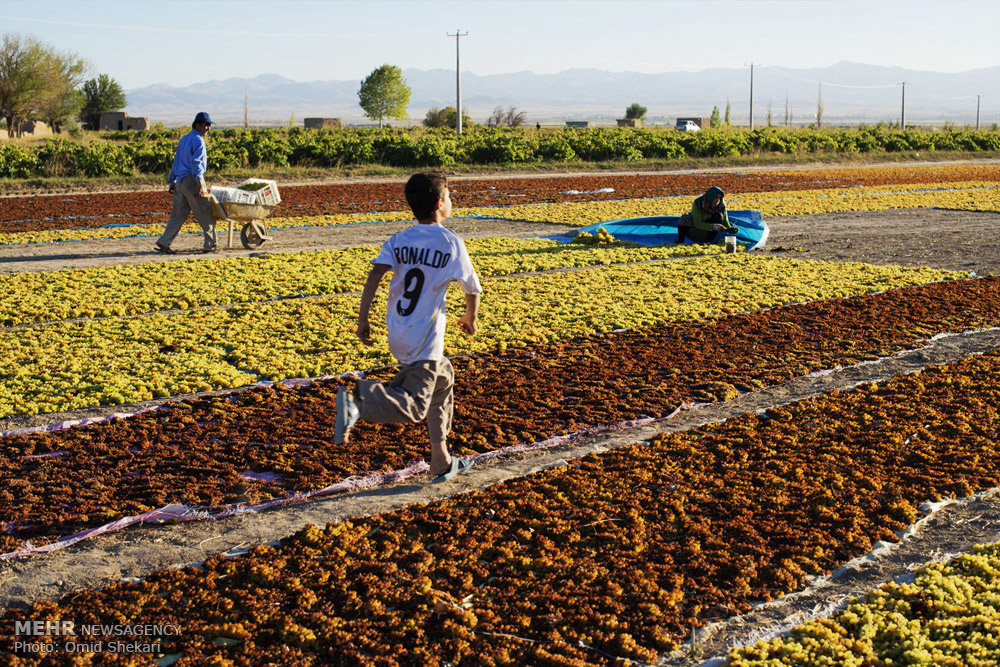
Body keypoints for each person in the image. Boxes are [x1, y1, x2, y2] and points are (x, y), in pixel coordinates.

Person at [335, 172, 483, 483]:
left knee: (444, 380)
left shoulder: (400, 240)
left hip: (398, 332)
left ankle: (441, 460)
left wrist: (363, 319)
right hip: (423, 341)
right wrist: (470, 317)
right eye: (450, 197)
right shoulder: (450, 242)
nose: (451, 202)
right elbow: (472, 287)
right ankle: (357, 401)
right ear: (440, 205)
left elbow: (374, 275)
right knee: (414, 407)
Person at [155, 111, 218, 254]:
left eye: (209, 125)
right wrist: (200, 183)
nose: (208, 128)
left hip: (180, 182)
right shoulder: (198, 141)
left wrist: (172, 180)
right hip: (191, 181)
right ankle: (210, 245)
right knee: (205, 212)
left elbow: (176, 161)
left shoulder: (184, 139)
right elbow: (197, 164)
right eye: (206, 125)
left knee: (178, 215)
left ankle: (164, 242)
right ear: (198, 125)